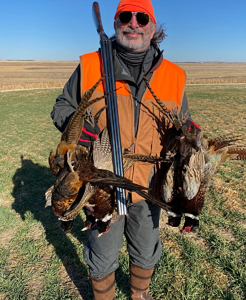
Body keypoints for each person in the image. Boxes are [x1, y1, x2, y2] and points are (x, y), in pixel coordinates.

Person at [51, 0, 198, 299]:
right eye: (125, 16)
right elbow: (62, 107)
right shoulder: (92, 65)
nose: (133, 23)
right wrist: (81, 128)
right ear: (116, 23)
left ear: (152, 27)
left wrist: (190, 134)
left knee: (145, 249)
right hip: (100, 183)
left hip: (149, 184)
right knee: (102, 253)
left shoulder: (175, 75)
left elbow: (181, 121)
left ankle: (138, 295)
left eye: (141, 17)